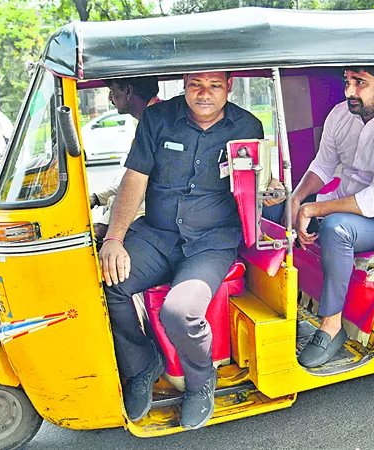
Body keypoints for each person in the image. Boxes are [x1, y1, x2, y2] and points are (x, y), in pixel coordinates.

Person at [99, 71, 263, 429]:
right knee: (107, 285)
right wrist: (114, 238)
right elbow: (135, 178)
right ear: (184, 84)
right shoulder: (158, 120)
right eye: (195, 85)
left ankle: (201, 381)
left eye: (215, 86)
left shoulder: (248, 125)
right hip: (157, 236)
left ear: (229, 87)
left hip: (211, 243)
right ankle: (142, 365)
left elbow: (254, 184)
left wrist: (272, 192)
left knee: (180, 311)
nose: (204, 94)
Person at [266, 66, 374, 368]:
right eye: (347, 82)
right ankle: (279, 305)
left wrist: (313, 209)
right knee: (272, 207)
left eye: (360, 83)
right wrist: (296, 200)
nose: (349, 92)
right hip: (347, 202)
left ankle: (332, 325)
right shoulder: (342, 114)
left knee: (335, 228)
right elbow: (323, 165)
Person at [89, 76, 161, 239]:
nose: (109, 98)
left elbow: (153, 190)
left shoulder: (161, 123)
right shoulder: (148, 121)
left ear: (128, 91)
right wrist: (96, 198)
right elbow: (132, 178)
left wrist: (108, 226)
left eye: (112, 91)